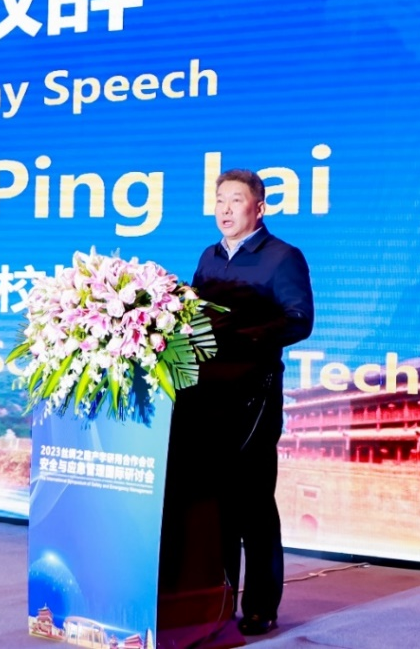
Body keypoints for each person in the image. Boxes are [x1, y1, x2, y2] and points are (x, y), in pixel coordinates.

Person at [159, 168, 313, 637]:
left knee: (252, 502)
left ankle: (262, 605)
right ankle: (217, 598)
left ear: (259, 207)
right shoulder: (208, 257)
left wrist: (242, 337)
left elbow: (299, 320)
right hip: (206, 395)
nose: (225, 210)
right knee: (213, 503)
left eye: (236, 200)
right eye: (219, 201)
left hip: (254, 394)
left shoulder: (283, 257)